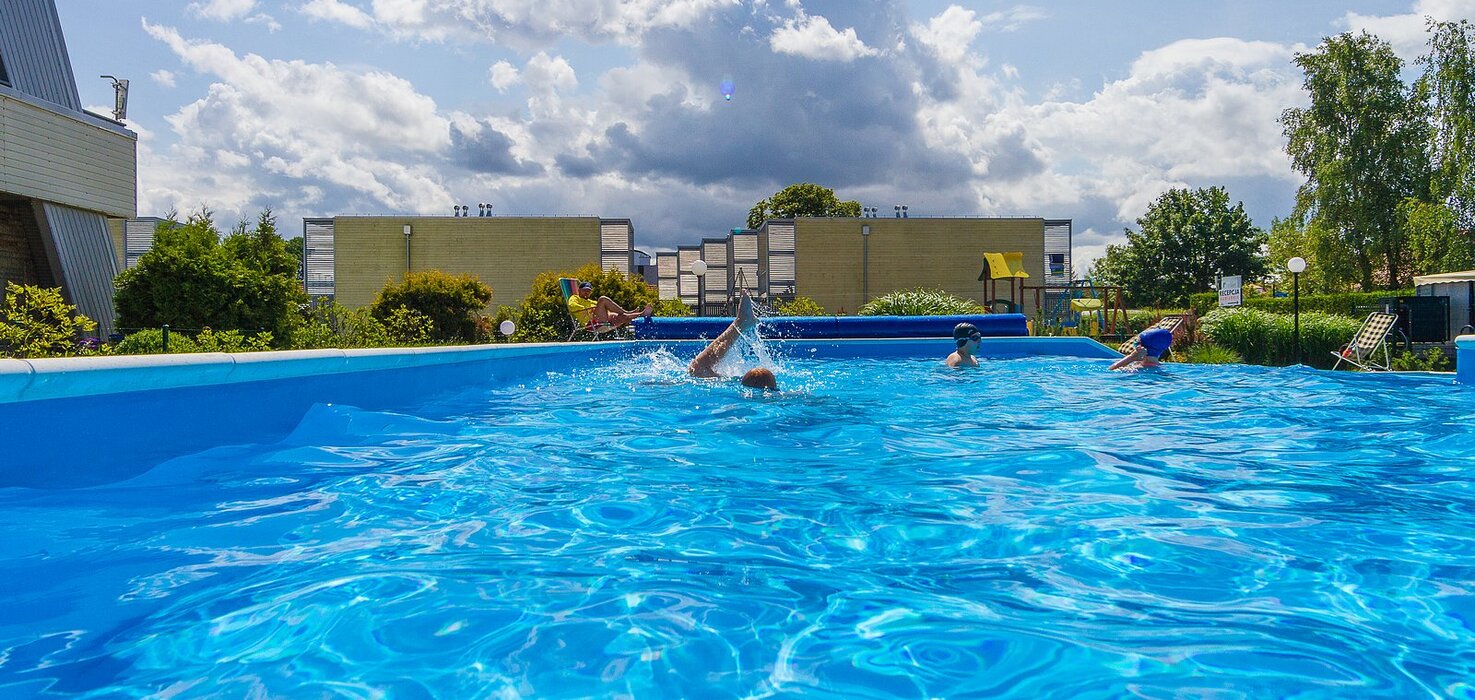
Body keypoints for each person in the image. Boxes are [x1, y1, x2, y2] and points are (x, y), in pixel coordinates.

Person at [687, 291, 778, 390]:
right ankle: (740, 323)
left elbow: (696, 370)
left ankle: (739, 324)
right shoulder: (784, 397)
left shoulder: (738, 398)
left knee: (696, 369)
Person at [567, 281, 652, 331]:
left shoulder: (590, 301)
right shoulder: (574, 298)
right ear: (579, 290)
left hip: (602, 319)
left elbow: (600, 308)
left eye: (589, 291)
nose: (587, 293)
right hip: (591, 323)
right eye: (585, 290)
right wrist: (589, 310)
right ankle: (627, 311)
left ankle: (641, 314)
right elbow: (572, 306)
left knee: (622, 316)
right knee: (603, 299)